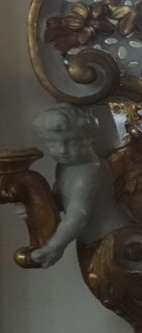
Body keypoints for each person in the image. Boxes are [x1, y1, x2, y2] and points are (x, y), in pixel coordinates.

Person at [24, 103, 136, 267]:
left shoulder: (88, 173)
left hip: (110, 236)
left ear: (89, 138)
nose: (62, 150)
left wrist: (54, 247)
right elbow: (57, 200)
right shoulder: (64, 167)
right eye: (52, 143)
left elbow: (78, 216)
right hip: (92, 240)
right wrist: (30, 204)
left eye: (72, 142)